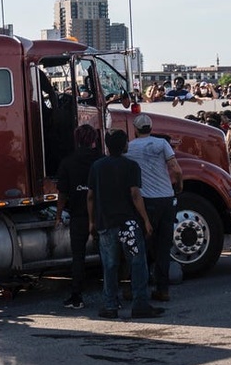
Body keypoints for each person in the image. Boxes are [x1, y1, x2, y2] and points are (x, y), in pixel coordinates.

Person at [87, 129, 162, 320]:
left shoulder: (97, 166)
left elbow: (90, 197)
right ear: (125, 146)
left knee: (110, 265)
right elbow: (135, 194)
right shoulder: (131, 165)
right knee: (137, 263)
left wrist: (92, 221)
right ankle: (140, 304)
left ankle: (110, 306)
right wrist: (145, 220)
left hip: (106, 223)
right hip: (128, 224)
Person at [126, 113, 182, 302]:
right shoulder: (162, 144)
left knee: (142, 245)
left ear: (135, 129)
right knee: (163, 246)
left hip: (146, 201)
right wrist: (178, 185)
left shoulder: (130, 148)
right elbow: (175, 168)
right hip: (166, 198)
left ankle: (139, 286)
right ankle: (162, 289)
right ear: (150, 128)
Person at [55, 124, 101, 309]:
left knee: (78, 257)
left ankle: (76, 296)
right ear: (93, 140)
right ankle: (112, 296)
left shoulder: (68, 162)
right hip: (101, 214)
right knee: (108, 255)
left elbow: (62, 194)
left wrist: (58, 216)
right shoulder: (101, 160)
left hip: (78, 215)